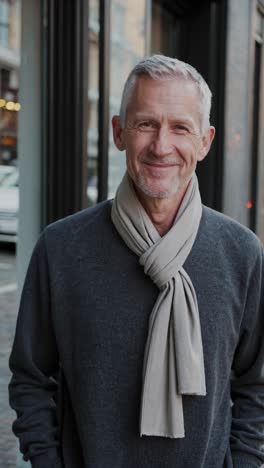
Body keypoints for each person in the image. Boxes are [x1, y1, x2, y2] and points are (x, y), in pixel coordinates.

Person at [9, 55, 264, 468]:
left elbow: (256, 385)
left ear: (206, 141)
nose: (161, 146)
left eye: (181, 127)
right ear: (118, 132)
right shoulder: (61, 248)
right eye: (146, 124)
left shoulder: (241, 254)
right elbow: (31, 378)